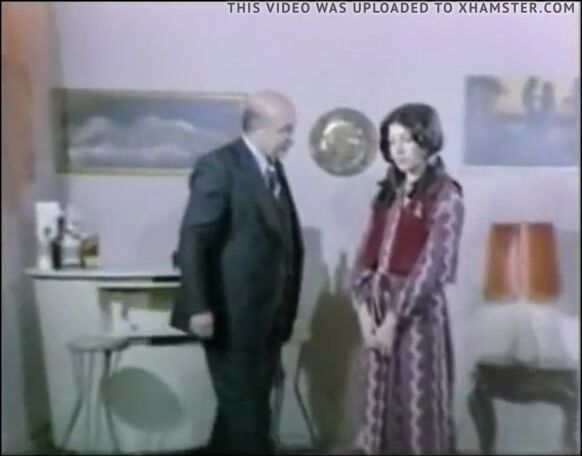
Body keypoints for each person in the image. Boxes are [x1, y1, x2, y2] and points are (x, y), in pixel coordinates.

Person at [170, 90, 304, 454]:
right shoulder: (219, 166)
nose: (291, 139)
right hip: (230, 316)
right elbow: (194, 239)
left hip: (268, 316)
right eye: (286, 130)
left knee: (244, 405)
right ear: (258, 126)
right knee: (249, 415)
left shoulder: (273, 168)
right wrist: (199, 307)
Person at [350, 103, 465, 455]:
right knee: (377, 400)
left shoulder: (445, 194)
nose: (398, 150)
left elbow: (435, 265)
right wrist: (365, 314)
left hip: (417, 314)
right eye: (392, 142)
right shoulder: (387, 192)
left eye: (407, 140)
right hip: (377, 304)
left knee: (417, 401)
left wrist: (394, 320)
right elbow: (365, 255)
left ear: (427, 141)